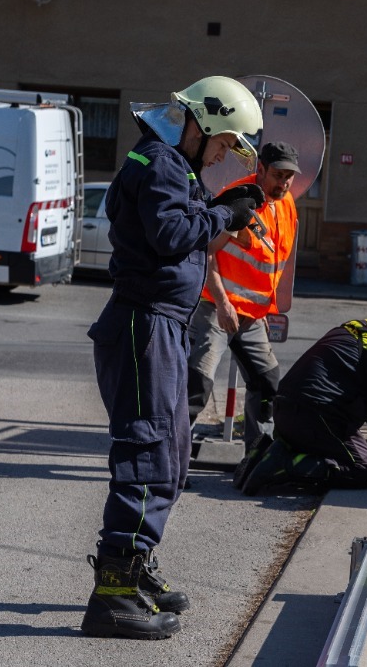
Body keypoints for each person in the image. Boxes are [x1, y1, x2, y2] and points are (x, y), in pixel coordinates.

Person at [82, 76, 264, 640]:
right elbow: (168, 233)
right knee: (148, 451)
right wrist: (223, 215)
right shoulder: (162, 160)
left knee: (173, 450)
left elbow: (177, 227)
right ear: (204, 122)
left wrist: (219, 210)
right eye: (221, 144)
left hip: (159, 325)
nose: (219, 157)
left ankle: (134, 571)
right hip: (146, 325)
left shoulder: (168, 163)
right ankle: (113, 593)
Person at [234, 309, 367, 495]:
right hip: (313, 416)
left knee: (338, 447)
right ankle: (282, 464)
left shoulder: (364, 326)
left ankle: (268, 451)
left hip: (285, 407)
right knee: (362, 470)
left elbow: (357, 383)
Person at [187, 141, 302, 458]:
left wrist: (264, 308)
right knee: (198, 385)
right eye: (278, 175)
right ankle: (171, 456)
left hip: (252, 315)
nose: (284, 183)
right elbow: (206, 252)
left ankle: (256, 453)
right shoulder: (241, 200)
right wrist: (223, 303)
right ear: (261, 170)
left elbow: (273, 262)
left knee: (267, 383)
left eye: (289, 176)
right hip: (216, 307)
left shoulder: (286, 204)